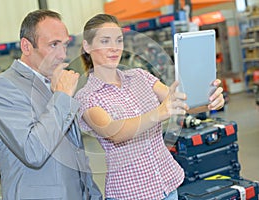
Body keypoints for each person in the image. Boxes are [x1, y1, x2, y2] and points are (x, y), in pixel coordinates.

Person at [75, 14, 225, 200]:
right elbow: (115, 133)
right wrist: (159, 113)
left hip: (167, 185)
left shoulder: (140, 76)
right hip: (131, 193)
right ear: (87, 46)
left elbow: (180, 104)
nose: (114, 48)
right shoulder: (87, 97)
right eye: (105, 41)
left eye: (119, 40)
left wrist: (208, 100)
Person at [0, 9, 102, 200]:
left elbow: (76, 153)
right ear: (27, 46)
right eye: (53, 45)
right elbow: (33, 151)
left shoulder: (53, 83)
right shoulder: (2, 87)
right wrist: (62, 96)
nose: (62, 55)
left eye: (64, 45)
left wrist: (93, 195)